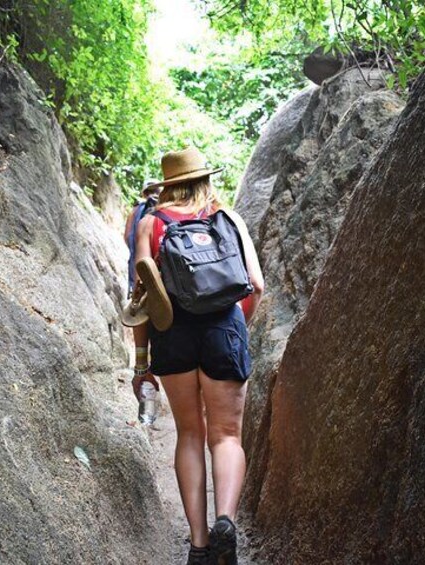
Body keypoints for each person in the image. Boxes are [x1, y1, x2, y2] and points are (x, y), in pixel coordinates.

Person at [131, 148, 264, 565]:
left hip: (173, 334)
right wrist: (235, 326)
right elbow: (255, 285)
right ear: (205, 179)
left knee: (190, 433)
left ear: (168, 185)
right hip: (224, 325)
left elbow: (141, 300)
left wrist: (140, 362)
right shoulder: (228, 219)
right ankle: (226, 519)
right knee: (226, 435)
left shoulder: (151, 224)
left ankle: (200, 544)